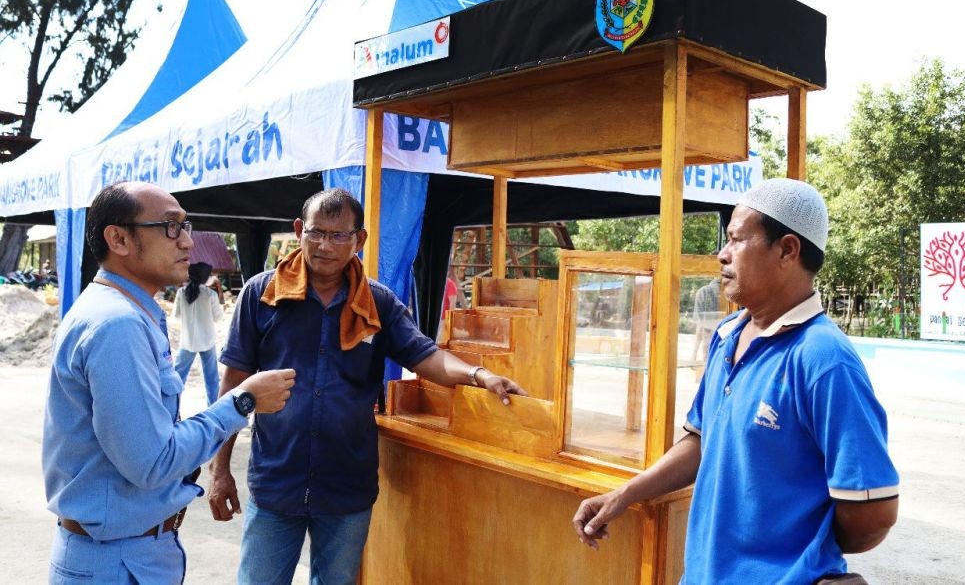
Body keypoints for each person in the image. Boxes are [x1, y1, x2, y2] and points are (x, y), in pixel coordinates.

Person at [573, 178, 899, 584]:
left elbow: (873, 513)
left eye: (736, 240)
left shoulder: (824, 360)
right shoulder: (728, 334)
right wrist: (623, 495)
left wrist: (794, 552)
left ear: (787, 250)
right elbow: (700, 440)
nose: (721, 255)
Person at [209, 187, 526, 585]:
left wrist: (480, 375)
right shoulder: (262, 295)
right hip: (277, 482)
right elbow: (233, 385)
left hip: (346, 486)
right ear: (298, 231)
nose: (325, 244)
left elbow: (425, 355)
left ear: (359, 240)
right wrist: (219, 469)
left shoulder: (378, 302)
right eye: (316, 232)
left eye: (339, 235)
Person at [43, 181, 296, 585]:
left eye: (187, 227)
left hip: (127, 553)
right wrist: (242, 402)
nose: (188, 243)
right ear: (119, 238)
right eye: (171, 227)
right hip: (116, 562)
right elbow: (153, 462)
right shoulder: (117, 325)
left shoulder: (128, 312)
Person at [172, 261, 224, 404]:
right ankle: (213, 409)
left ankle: (171, 407)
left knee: (177, 377)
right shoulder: (210, 294)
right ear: (205, 277)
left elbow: (176, 316)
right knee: (211, 378)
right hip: (207, 341)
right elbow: (219, 317)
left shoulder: (181, 293)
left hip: (187, 342)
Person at [690, 276, 721, 363]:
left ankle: (694, 357)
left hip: (705, 325)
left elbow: (697, 316)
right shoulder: (725, 292)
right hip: (715, 327)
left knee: (704, 343)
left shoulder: (702, 291)